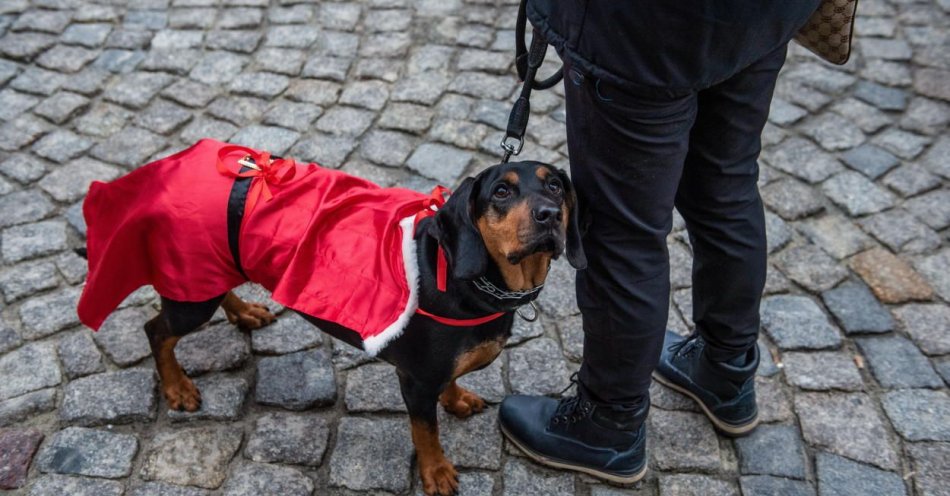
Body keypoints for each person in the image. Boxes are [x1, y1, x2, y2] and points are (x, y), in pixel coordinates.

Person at [499, 0, 822, 482]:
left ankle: (608, 424)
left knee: (620, 230)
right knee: (726, 185)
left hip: (641, 29)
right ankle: (725, 370)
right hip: (761, 14)